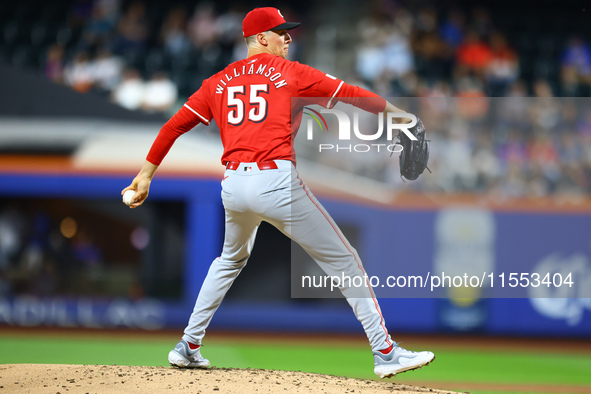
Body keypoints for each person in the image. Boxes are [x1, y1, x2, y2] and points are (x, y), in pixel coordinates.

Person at [121, 7, 434, 379]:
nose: (288, 38)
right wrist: (405, 119)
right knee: (345, 260)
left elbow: (174, 125)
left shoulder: (216, 82)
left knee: (229, 260)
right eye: (280, 32)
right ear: (260, 38)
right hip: (275, 180)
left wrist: (145, 175)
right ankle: (385, 352)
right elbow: (352, 94)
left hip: (234, 185)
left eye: (288, 32)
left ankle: (188, 344)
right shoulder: (292, 73)